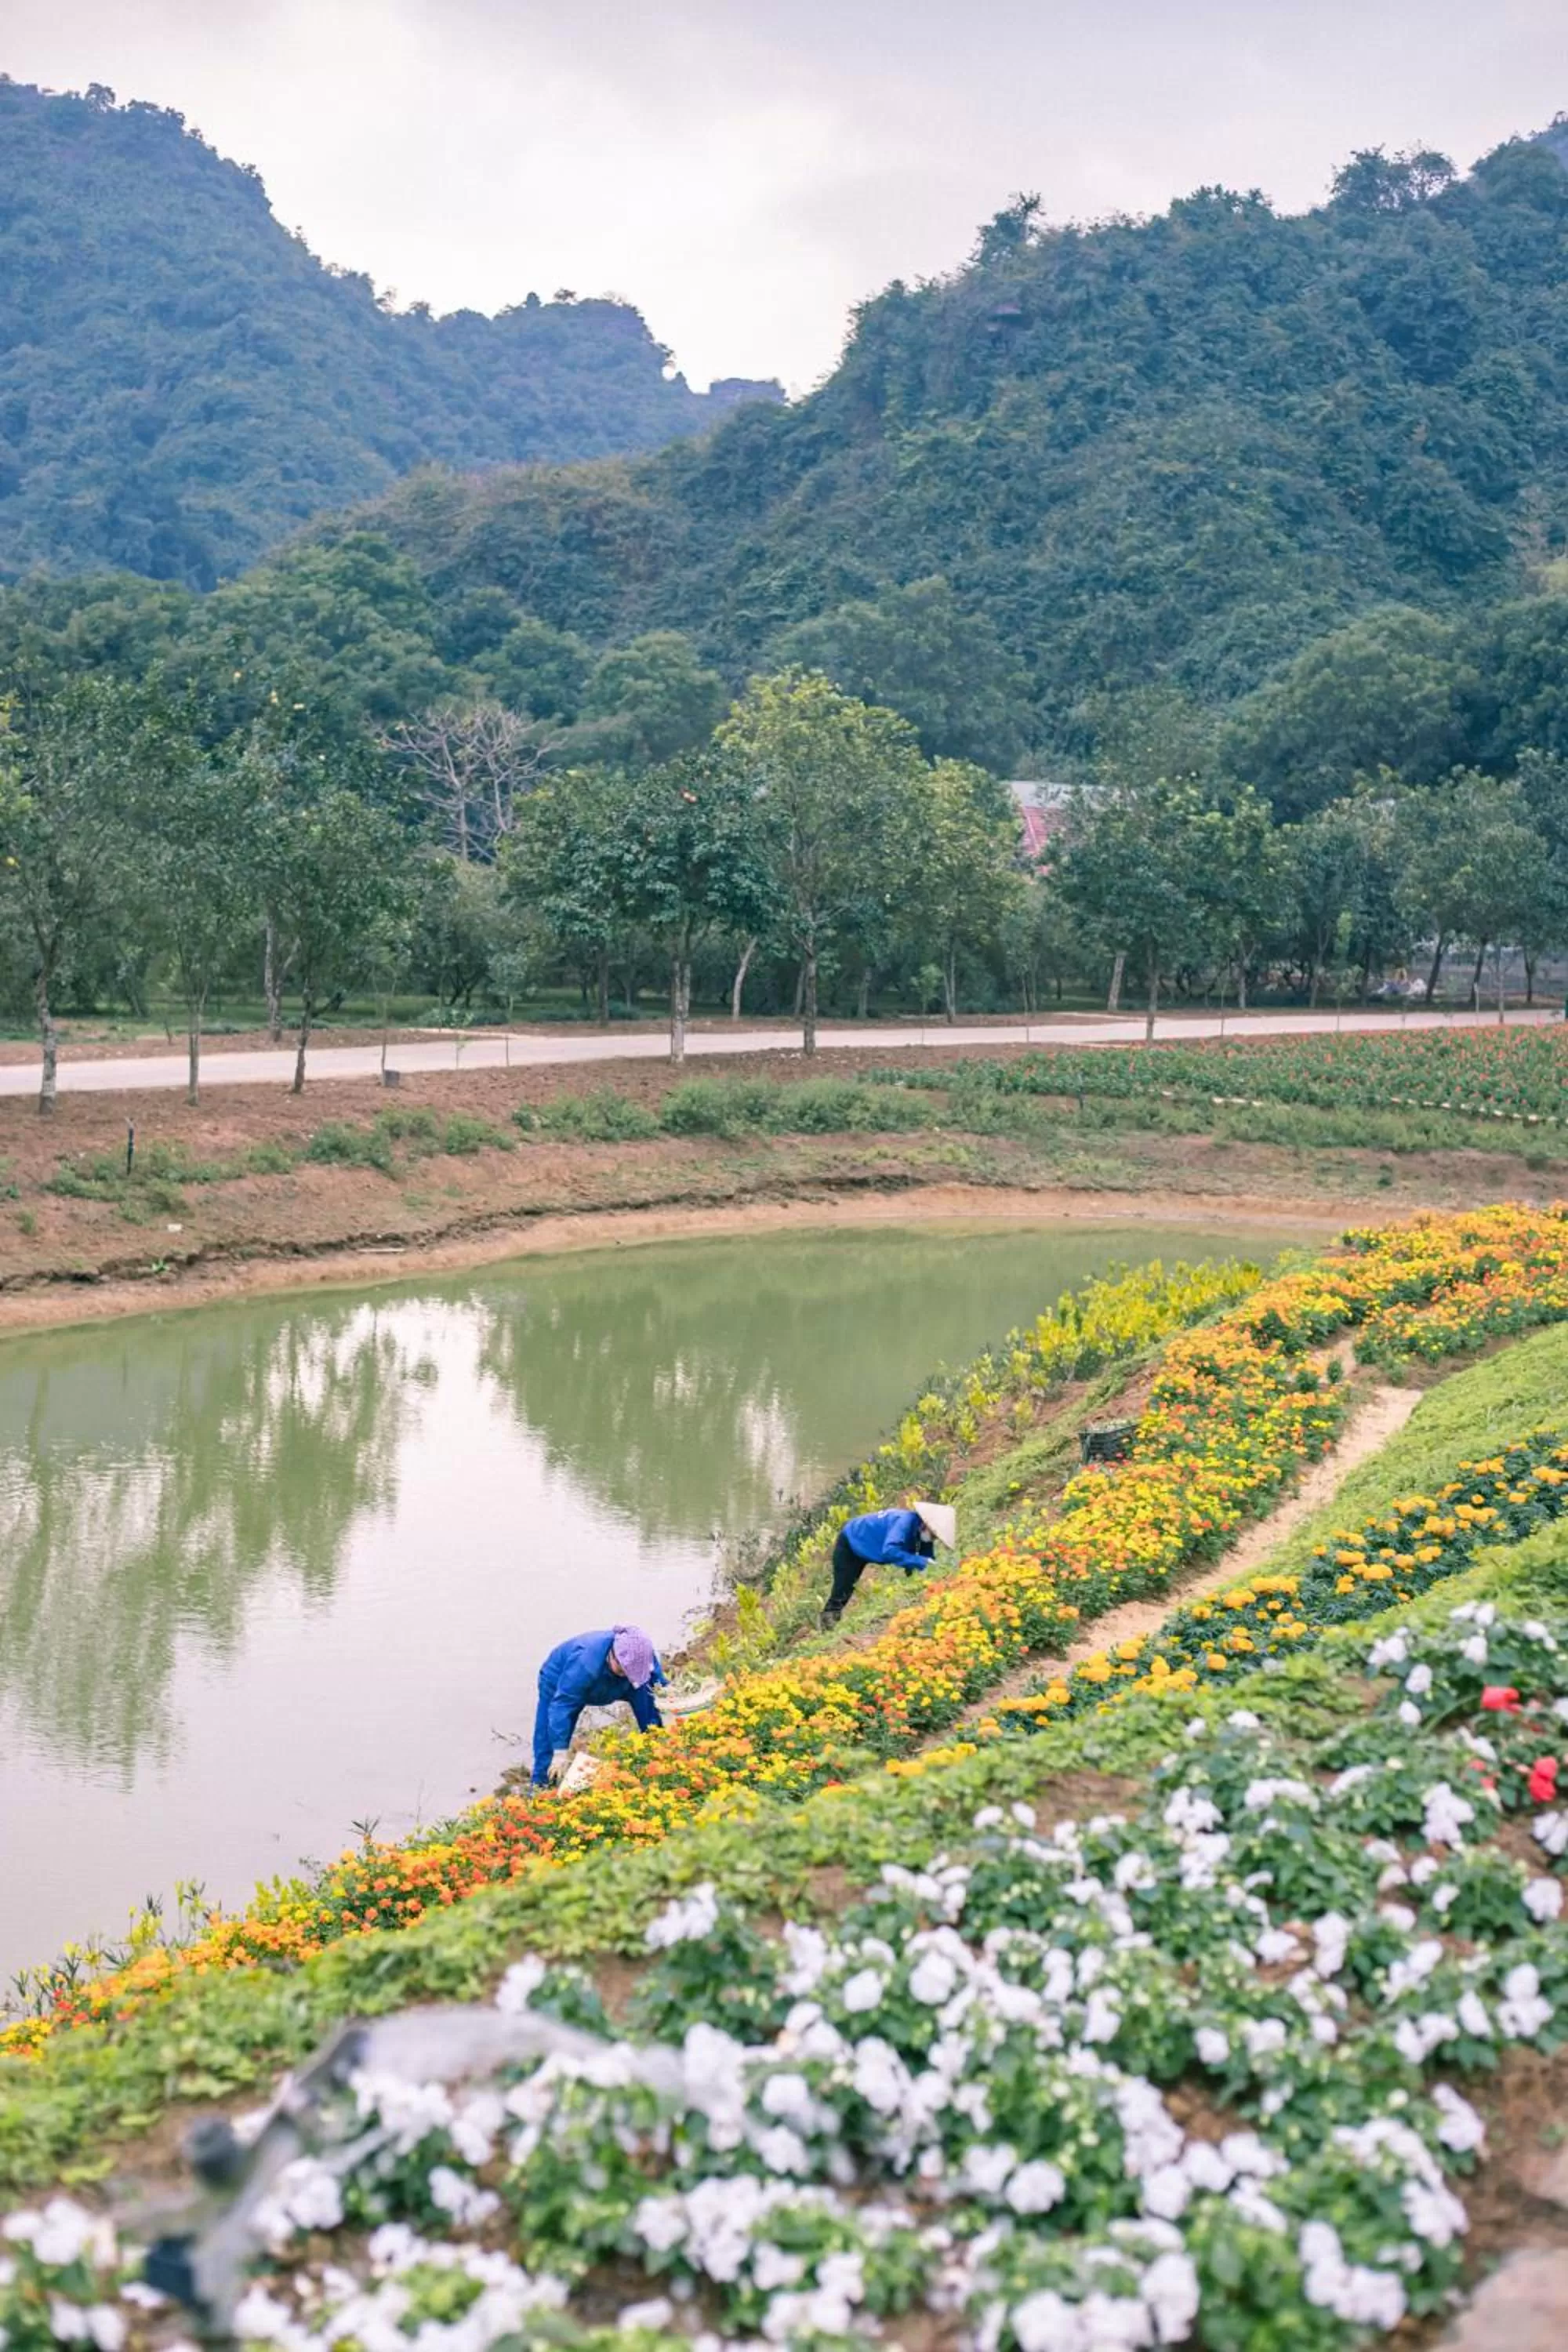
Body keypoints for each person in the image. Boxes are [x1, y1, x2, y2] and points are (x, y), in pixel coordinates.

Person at [532, 1623, 666, 1788]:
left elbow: (656, 1681)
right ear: (613, 1656)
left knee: (651, 1714)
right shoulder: (584, 1663)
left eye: (632, 1672)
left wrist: (667, 1694)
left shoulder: (641, 1654)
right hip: (561, 1683)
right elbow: (562, 1707)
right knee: (549, 1738)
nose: (628, 1675)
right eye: (624, 1670)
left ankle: (659, 1760)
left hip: (617, 1683)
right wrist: (560, 1751)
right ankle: (542, 1786)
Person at [821, 1501, 956, 1627]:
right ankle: (828, 1625)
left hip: (870, 1543)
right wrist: (922, 1562)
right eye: (933, 1535)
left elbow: (925, 1562)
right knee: (843, 1589)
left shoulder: (922, 1534)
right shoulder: (904, 1522)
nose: (932, 1539)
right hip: (852, 1541)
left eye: (935, 1537)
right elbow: (890, 1551)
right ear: (926, 1525)